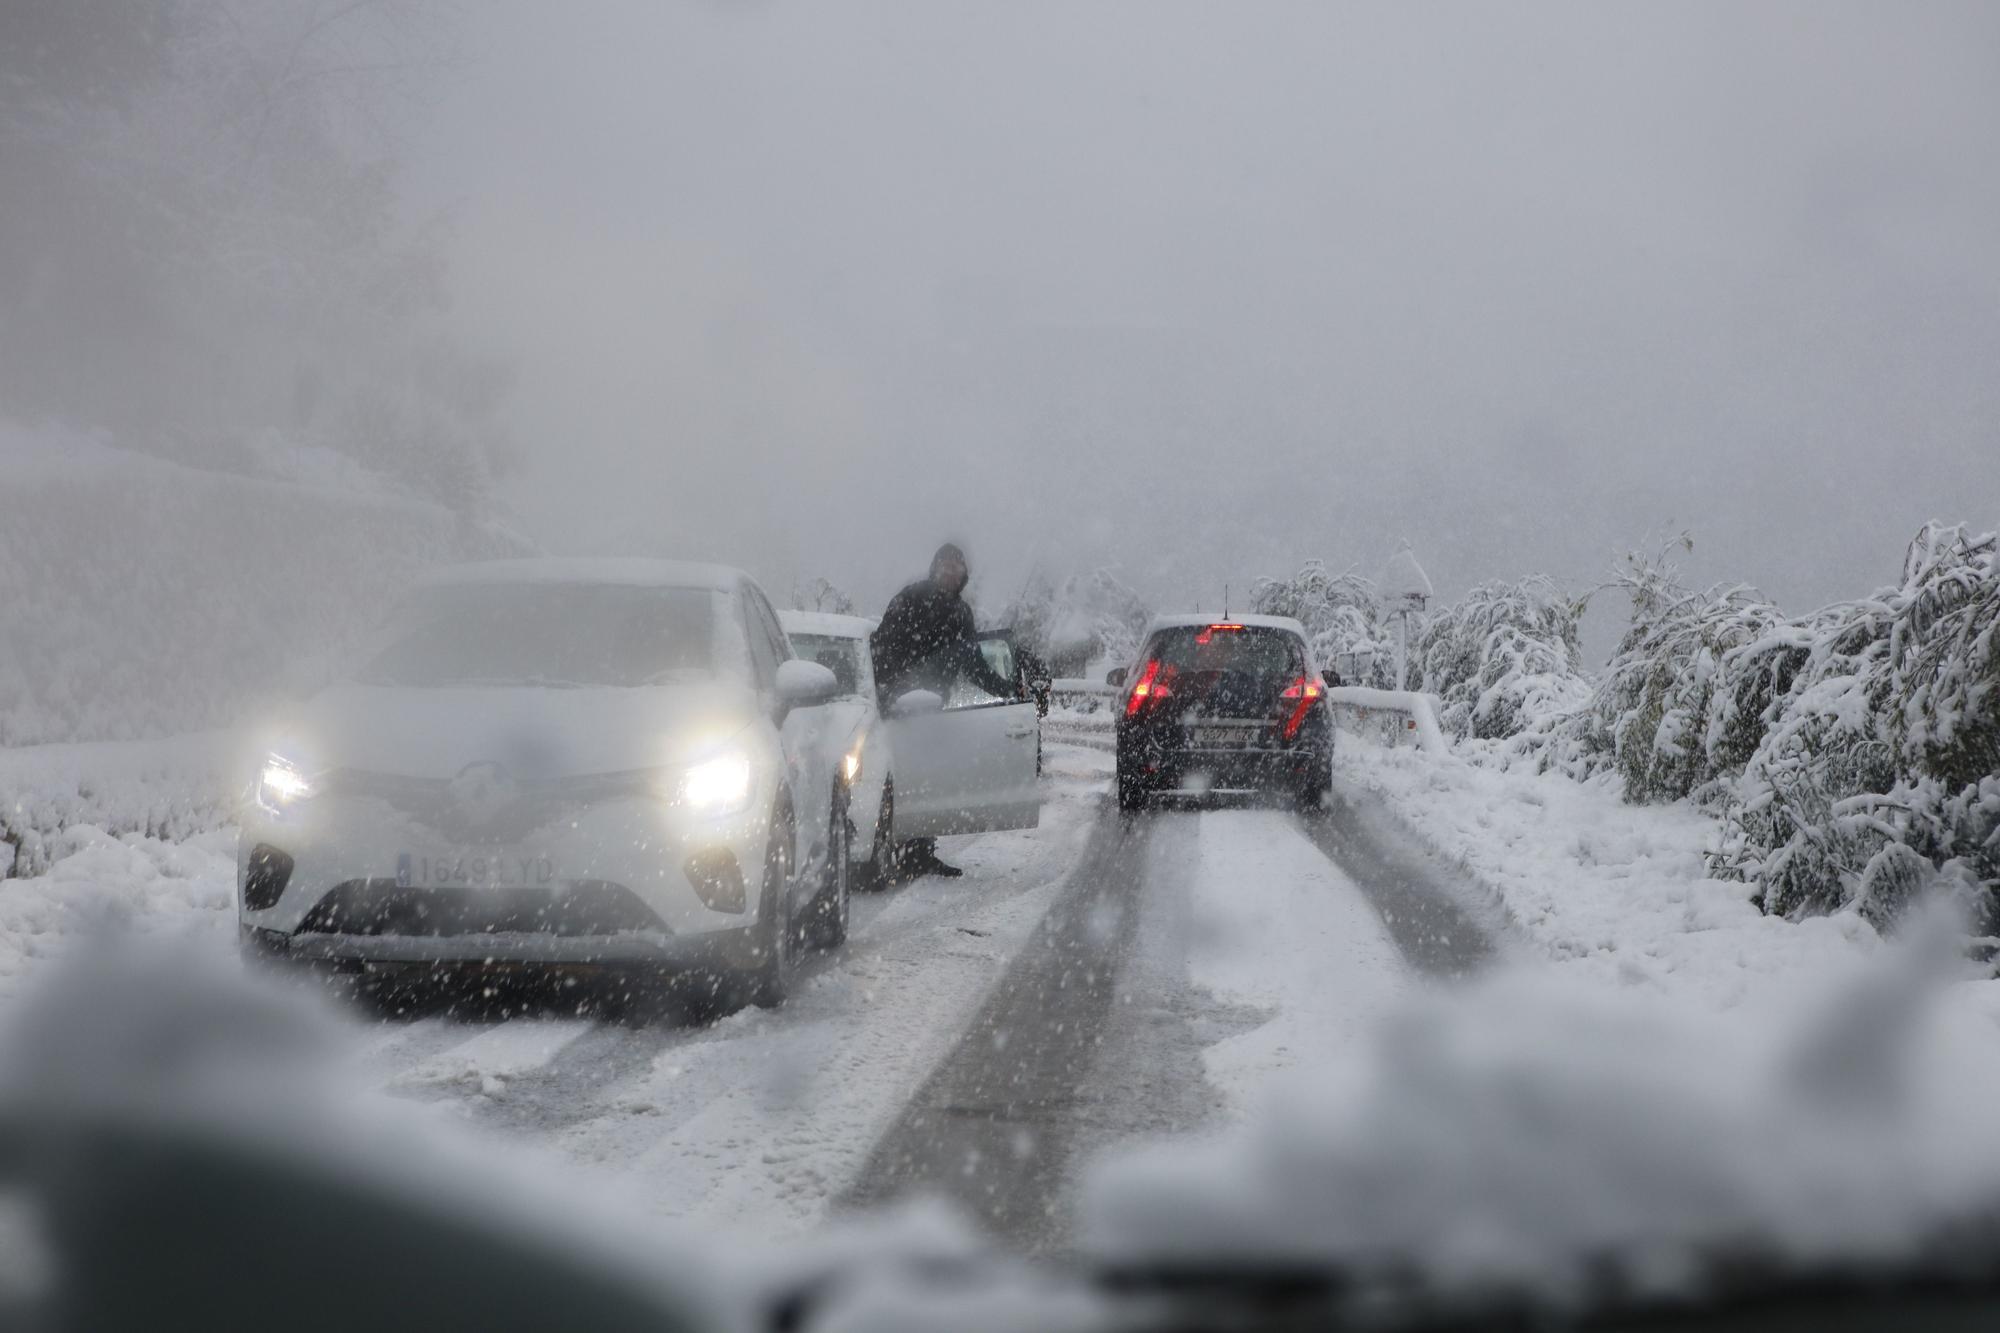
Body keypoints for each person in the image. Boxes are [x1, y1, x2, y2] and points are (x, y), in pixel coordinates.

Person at [870, 542, 1018, 879]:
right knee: (894, 780)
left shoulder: (962, 613)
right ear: (934, 568)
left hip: (932, 707)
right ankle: (883, 853)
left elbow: (973, 663)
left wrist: (1007, 690)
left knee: (925, 780)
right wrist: (891, 690)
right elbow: (881, 646)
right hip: (898, 705)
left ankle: (919, 853)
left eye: (957, 567)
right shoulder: (910, 599)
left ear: (964, 574)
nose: (951, 573)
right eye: (946, 566)